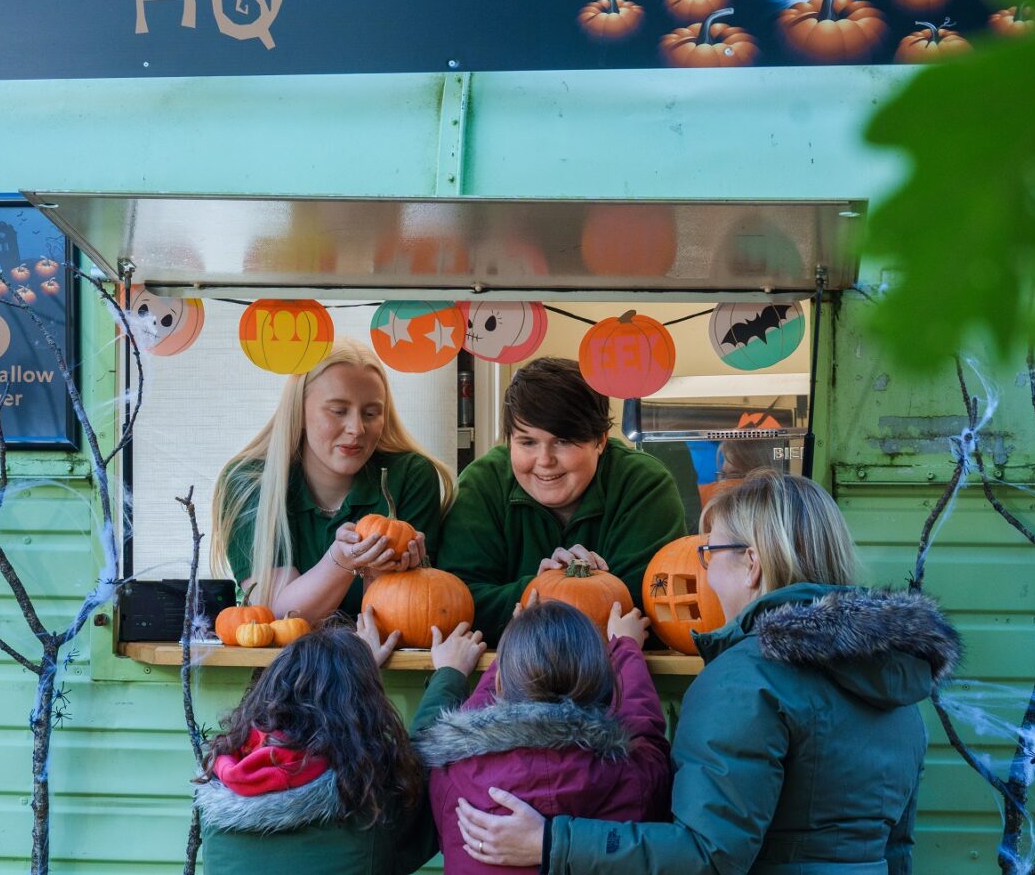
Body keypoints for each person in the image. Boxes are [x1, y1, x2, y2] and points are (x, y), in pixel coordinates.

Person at [454, 469, 963, 874]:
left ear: (752, 563)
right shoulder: (894, 677)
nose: (703, 570)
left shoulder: (746, 679)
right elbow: (898, 852)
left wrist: (551, 841)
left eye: (710, 552)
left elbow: (707, 855)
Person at [412, 601, 671, 874]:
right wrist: (625, 644)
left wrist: (514, 651)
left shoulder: (450, 772)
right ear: (605, 684)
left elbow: (470, 724)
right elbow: (645, 728)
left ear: (500, 684)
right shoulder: (635, 773)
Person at [436, 357, 684, 637]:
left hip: (620, 669)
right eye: (527, 442)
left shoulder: (645, 484)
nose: (544, 460)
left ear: (600, 440)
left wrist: (545, 600)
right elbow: (451, 603)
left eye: (563, 441)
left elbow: (654, 603)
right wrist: (542, 588)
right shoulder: (483, 483)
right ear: (509, 440)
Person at [212, 341, 455, 623]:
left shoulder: (411, 476)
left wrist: (379, 571)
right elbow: (281, 616)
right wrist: (342, 561)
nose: (356, 429)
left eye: (371, 413)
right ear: (299, 411)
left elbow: (400, 616)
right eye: (338, 411)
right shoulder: (249, 483)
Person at [193, 620, 438, 874]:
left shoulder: (220, 786)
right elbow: (425, 777)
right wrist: (449, 674)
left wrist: (350, 675)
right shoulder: (364, 797)